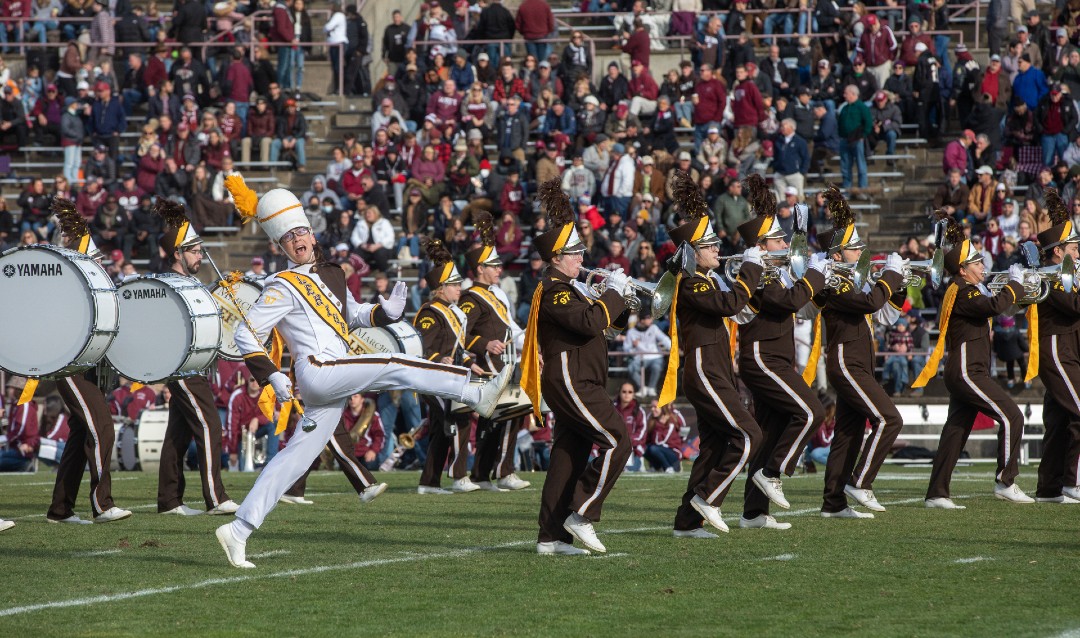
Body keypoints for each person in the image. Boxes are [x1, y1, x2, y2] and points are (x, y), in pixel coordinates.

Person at [214, 179, 510, 568]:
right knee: (395, 364)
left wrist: (385, 312)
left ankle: (238, 529)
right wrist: (271, 374)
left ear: (311, 232)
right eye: (288, 237)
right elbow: (245, 332)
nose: (297, 240)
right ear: (279, 246)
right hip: (318, 371)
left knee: (294, 459)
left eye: (301, 231)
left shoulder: (334, 274)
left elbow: (352, 315)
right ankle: (473, 392)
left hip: (333, 378)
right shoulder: (281, 286)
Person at [522, 179, 632, 556]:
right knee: (620, 440)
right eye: (574, 254)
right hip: (572, 378)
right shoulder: (555, 289)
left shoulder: (575, 288)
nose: (582, 260)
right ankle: (582, 514)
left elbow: (612, 328)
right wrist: (613, 293)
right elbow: (588, 324)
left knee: (567, 459)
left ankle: (550, 537)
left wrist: (623, 299)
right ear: (555, 258)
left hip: (582, 377)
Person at [659, 170, 764, 537]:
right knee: (750, 435)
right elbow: (732, 302)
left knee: (714, 446)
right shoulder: (691, 284)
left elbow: (739, 307)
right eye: (710, 245)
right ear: (693, 252)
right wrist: (751, 267)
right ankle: (710, 498)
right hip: (705, 372)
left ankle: (687, 523)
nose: (718, 249)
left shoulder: (705, 280)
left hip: (716, 371)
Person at [915, 215, 1032, 508]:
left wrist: (1019, 292)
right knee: (1012, 416)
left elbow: (1002, 307)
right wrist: (1014, 285)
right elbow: (995, 306)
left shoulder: (969, 290)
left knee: (955, 433)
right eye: (977, 263)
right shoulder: (963, 293)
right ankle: (1006, 481)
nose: (983, 267)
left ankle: (936, 493)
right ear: (963, 270)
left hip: (968, 370)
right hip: (968, 371)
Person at [735, 174, 829, 529]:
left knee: (771, 433)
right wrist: (815, 277)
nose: (785, 245)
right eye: (777, 240)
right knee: (811, 412)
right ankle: (773, 472)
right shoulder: (758, 272)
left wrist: (819, 285)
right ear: (761, 244)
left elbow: (800, 308)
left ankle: (754, 513)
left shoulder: (777, 273)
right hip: (762, 357)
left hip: (775, 358)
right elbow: (789, 300)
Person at [810, 187, 907, 519]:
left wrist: (901, 281)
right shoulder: (834, 281)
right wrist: (891, 275)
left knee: (848, 434)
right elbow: (870, 303)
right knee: (889, 418)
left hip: (858, 362)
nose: (862, 251)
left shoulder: (855, 280)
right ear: (837, 255)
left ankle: (833, 502)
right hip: (845, 360)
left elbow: (883, 313)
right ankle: (860, 482)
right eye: (855, 248)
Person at [40, 198, 132, 524]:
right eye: (94, 259)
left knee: (80, 434)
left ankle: (60, 509)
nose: (100, 264)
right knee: (102, 427)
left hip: (87, 365)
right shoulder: (66, 289)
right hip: (69, 365)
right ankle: (102, 504)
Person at [153, 201, 239, 517]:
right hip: (183, 364)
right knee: (208, 424)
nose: (200, 256)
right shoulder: (167, 285)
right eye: (193, 251)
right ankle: (215, 498)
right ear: (177, 253)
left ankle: (169, 500)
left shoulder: (192, 282)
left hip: (197, 363)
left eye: (200, 250)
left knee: (179, 432)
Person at [460, 212, 530, 491]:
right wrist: (483, 344)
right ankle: (504, 472)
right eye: (494, 265)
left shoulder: (495, 295)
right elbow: (459, 334)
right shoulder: (472, 297)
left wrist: (530, 345)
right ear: (479, 269)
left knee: (499, 420)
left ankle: (480, 473)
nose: (500, 269)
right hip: (488, 365)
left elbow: (510, 331)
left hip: (504, 363)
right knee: (510, 414)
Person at [413, 238, 480, 495]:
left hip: (447, 379)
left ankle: (428, 482)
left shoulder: (453, 312)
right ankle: (459, 476)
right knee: (457, 418)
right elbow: (422, 350)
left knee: (443, 430)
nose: (459, 287)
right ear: (440, 288)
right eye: (454, 284)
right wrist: (439, 358)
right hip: (431, 379)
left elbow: (457, 349)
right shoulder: (431, 313)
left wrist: (470, 364)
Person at [1031, 189, 1080, 503]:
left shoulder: (1066, 274)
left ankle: (1050, 488)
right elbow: (1075, 306)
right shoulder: (1049, 278)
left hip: (1068, 351)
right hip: (1056, 351)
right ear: (1059, 250)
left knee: (1060, 421)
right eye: (1074, 248)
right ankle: (1073, 483)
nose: (1078, 253)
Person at [623, 312, 669, 396]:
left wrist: (673, 348)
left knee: (657, 366)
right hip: (639, 357)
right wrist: (633, 347)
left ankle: (651, 388)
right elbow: (626, 349)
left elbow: (665, 339)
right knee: (631, 368)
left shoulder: (654, 328)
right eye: (648, 318)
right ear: (641, 320)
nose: (651, 320)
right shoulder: (631, 332)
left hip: (655, 356)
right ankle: (642, 388)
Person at [837, 85, 872, 192]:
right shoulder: (845, 108)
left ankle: (863, 188)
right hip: (844, 139)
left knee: (861, 165)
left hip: (857, 139)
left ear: (853, 94)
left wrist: (863, 135)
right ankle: (847, 188)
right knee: (845, 166)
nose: (844, 95)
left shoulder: (862, 107)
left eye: (846, 93)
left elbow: (868, 122)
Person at [644, 401, 685, 473]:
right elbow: (648, 439)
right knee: (644, 448)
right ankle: (656, 467)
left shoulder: (671, 420)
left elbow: (659, 442)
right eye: (651, 407)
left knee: (654, 448)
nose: (652, 409)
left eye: (655, 407)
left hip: (673, 452)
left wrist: (659, 425)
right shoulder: (652, 420)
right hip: (660, 448)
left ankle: (668, 467)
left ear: (662, 408)